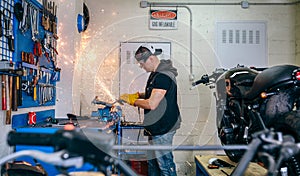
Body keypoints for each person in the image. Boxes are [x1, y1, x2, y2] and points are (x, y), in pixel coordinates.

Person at [120, 45, 181, 176]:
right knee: (153, 163)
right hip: (155, 127)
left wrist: (133, 101)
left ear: (151, 58)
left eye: (142, 64)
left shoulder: (163, 76)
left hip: (163, 128)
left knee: (165, 165)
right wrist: (138, 95)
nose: (141, 67)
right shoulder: (156, 74)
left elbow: (152, 104)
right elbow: (153, 93)